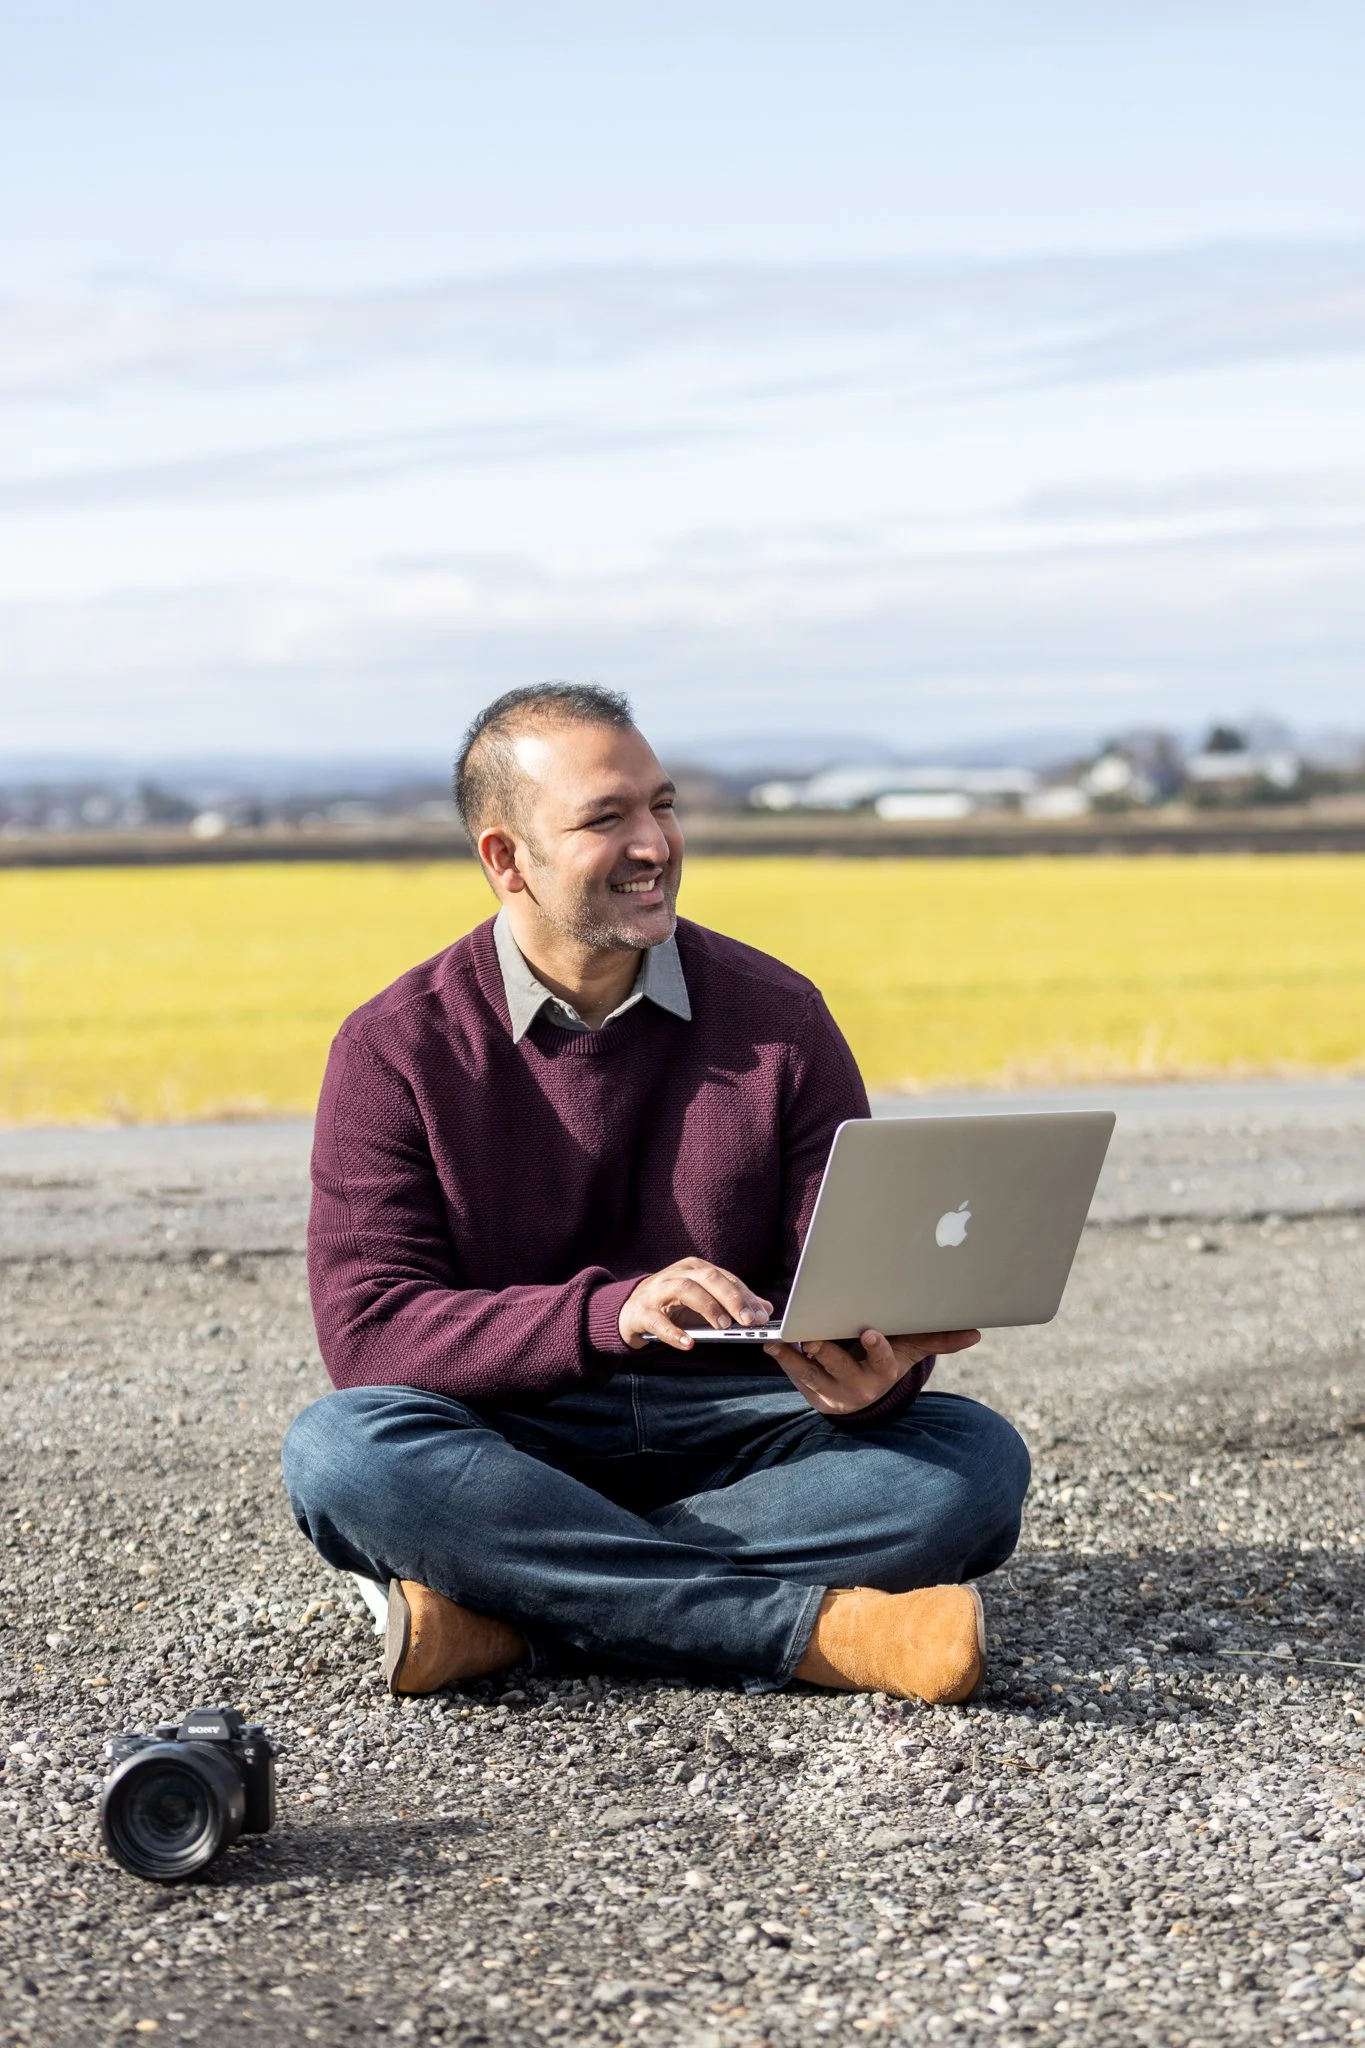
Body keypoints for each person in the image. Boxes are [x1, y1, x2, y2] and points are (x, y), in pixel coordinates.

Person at [282, 683, 1029, 1703]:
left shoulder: (783, 1018)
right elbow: (373, 1334)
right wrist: (611, 1311)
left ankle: (507, 1616)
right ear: (506, 857)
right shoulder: (394, 1047)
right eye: (606, 818)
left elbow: (842, 1273)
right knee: (344, 1451)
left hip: (739, 1428)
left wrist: (880, 1378)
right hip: (513, 1441)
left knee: (973, 1460)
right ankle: (818, 1633)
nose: (656, 842)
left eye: (663, 804)